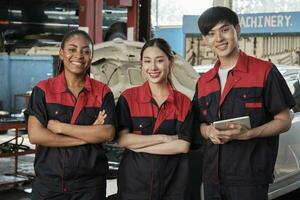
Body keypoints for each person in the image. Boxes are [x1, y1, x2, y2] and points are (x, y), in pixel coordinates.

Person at [193, 6, 295, 200]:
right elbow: (198, 124)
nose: (219, 39)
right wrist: (208, 131)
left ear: (237, 30)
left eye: (224, 30)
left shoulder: (265, 71)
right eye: (211, 34)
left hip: (249, 179)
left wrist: (249, 134)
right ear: (205, 39)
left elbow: (284, 120)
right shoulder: (204, 81)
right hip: (212, 179)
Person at [25, 30, 116, 200]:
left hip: (90, 185)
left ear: (91, 56)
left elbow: (108, 132)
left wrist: (61, 128)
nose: (79, 56)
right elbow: (36, 135)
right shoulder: (43, 90)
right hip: (49, 184)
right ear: (61, 53)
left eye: (85, 51)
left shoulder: (103, 92)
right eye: (72, 49)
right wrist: (88, 134)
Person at [116, 38, 194, 200]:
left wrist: (138, 146)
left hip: (172, 185)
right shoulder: (128, 98)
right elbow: (123, 139)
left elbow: (183, 145)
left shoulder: (183, 102)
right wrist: (164, 138)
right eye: (147, 61)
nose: (153, 67)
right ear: (141, 65)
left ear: (170, 62)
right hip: (134, 186)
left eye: (159, 61)